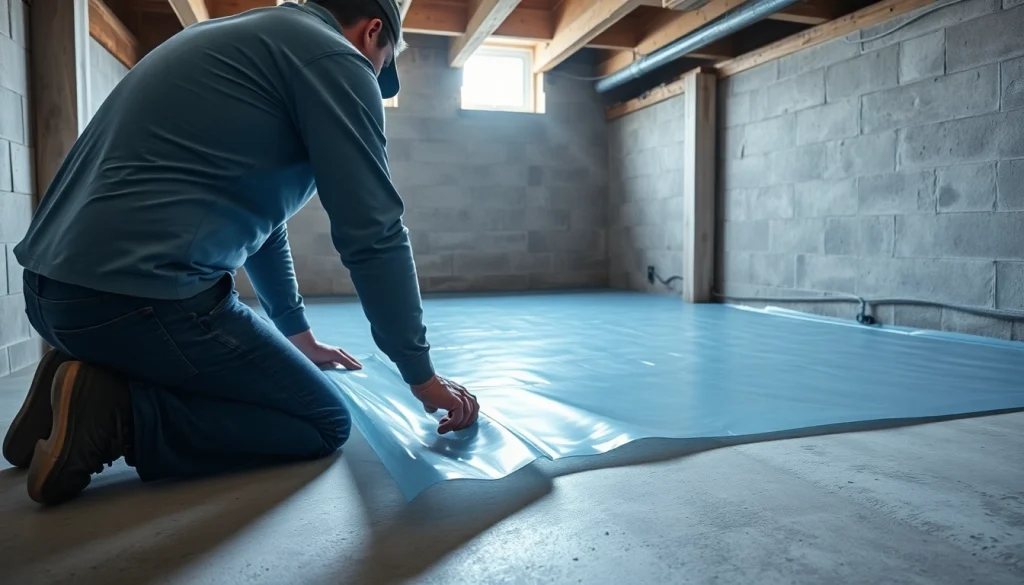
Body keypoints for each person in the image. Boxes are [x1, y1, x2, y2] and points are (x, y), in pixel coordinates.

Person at [2, 0, 479, 506]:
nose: (372, 77)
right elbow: (373, 231)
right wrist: (420, 376)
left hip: (50, 297)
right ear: (371, 32)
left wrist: (299, 336)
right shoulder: (338, 60)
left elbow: (263, 222)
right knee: (321, 420)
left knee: (265, 373)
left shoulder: (243, 37)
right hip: (133, 305)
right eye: (381, 65)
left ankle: (75, 374)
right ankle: (113, 414)